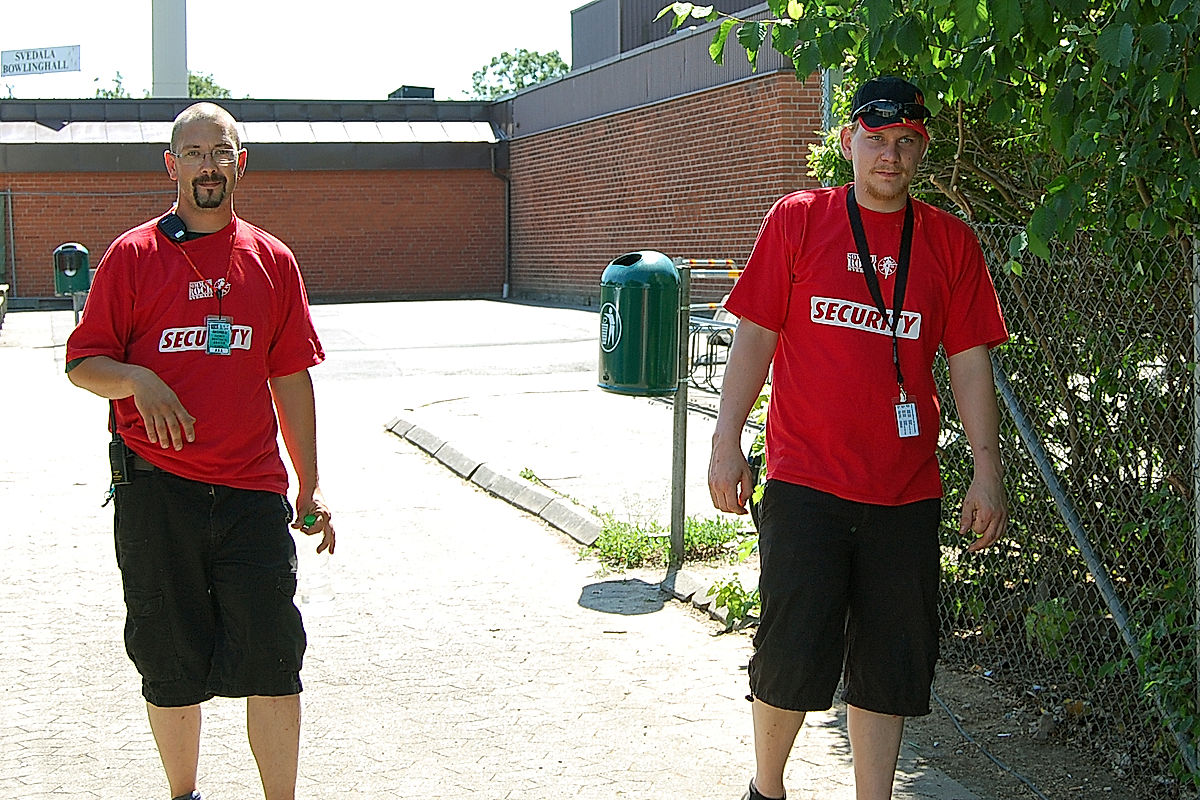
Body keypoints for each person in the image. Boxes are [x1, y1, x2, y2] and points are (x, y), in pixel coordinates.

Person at [708, 76, 1009, 800]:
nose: (890, 156)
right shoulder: (800, 219)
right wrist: (726, 440)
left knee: (889, 666)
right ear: (847, 143)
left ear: (921, 151)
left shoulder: (950, 242)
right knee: (791, 653)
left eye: (906, 142)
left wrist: (987, 470)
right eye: (876, 140)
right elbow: (756, 335)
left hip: (905, 493)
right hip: (806, 482)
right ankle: (767, 789)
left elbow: (970, 362)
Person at [65, 102, 335, 800]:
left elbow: (290, 376)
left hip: (251, 493)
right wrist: (136, 379)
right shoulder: (133, 256)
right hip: (157, 491)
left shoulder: (272, 261)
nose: (208, 165)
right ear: (171, 166)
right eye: (193, 153)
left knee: (274, 658)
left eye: (220, 152)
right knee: (170, 660)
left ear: (240, 164)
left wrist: (309, 484)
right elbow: (83, 363)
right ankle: (184, 794)